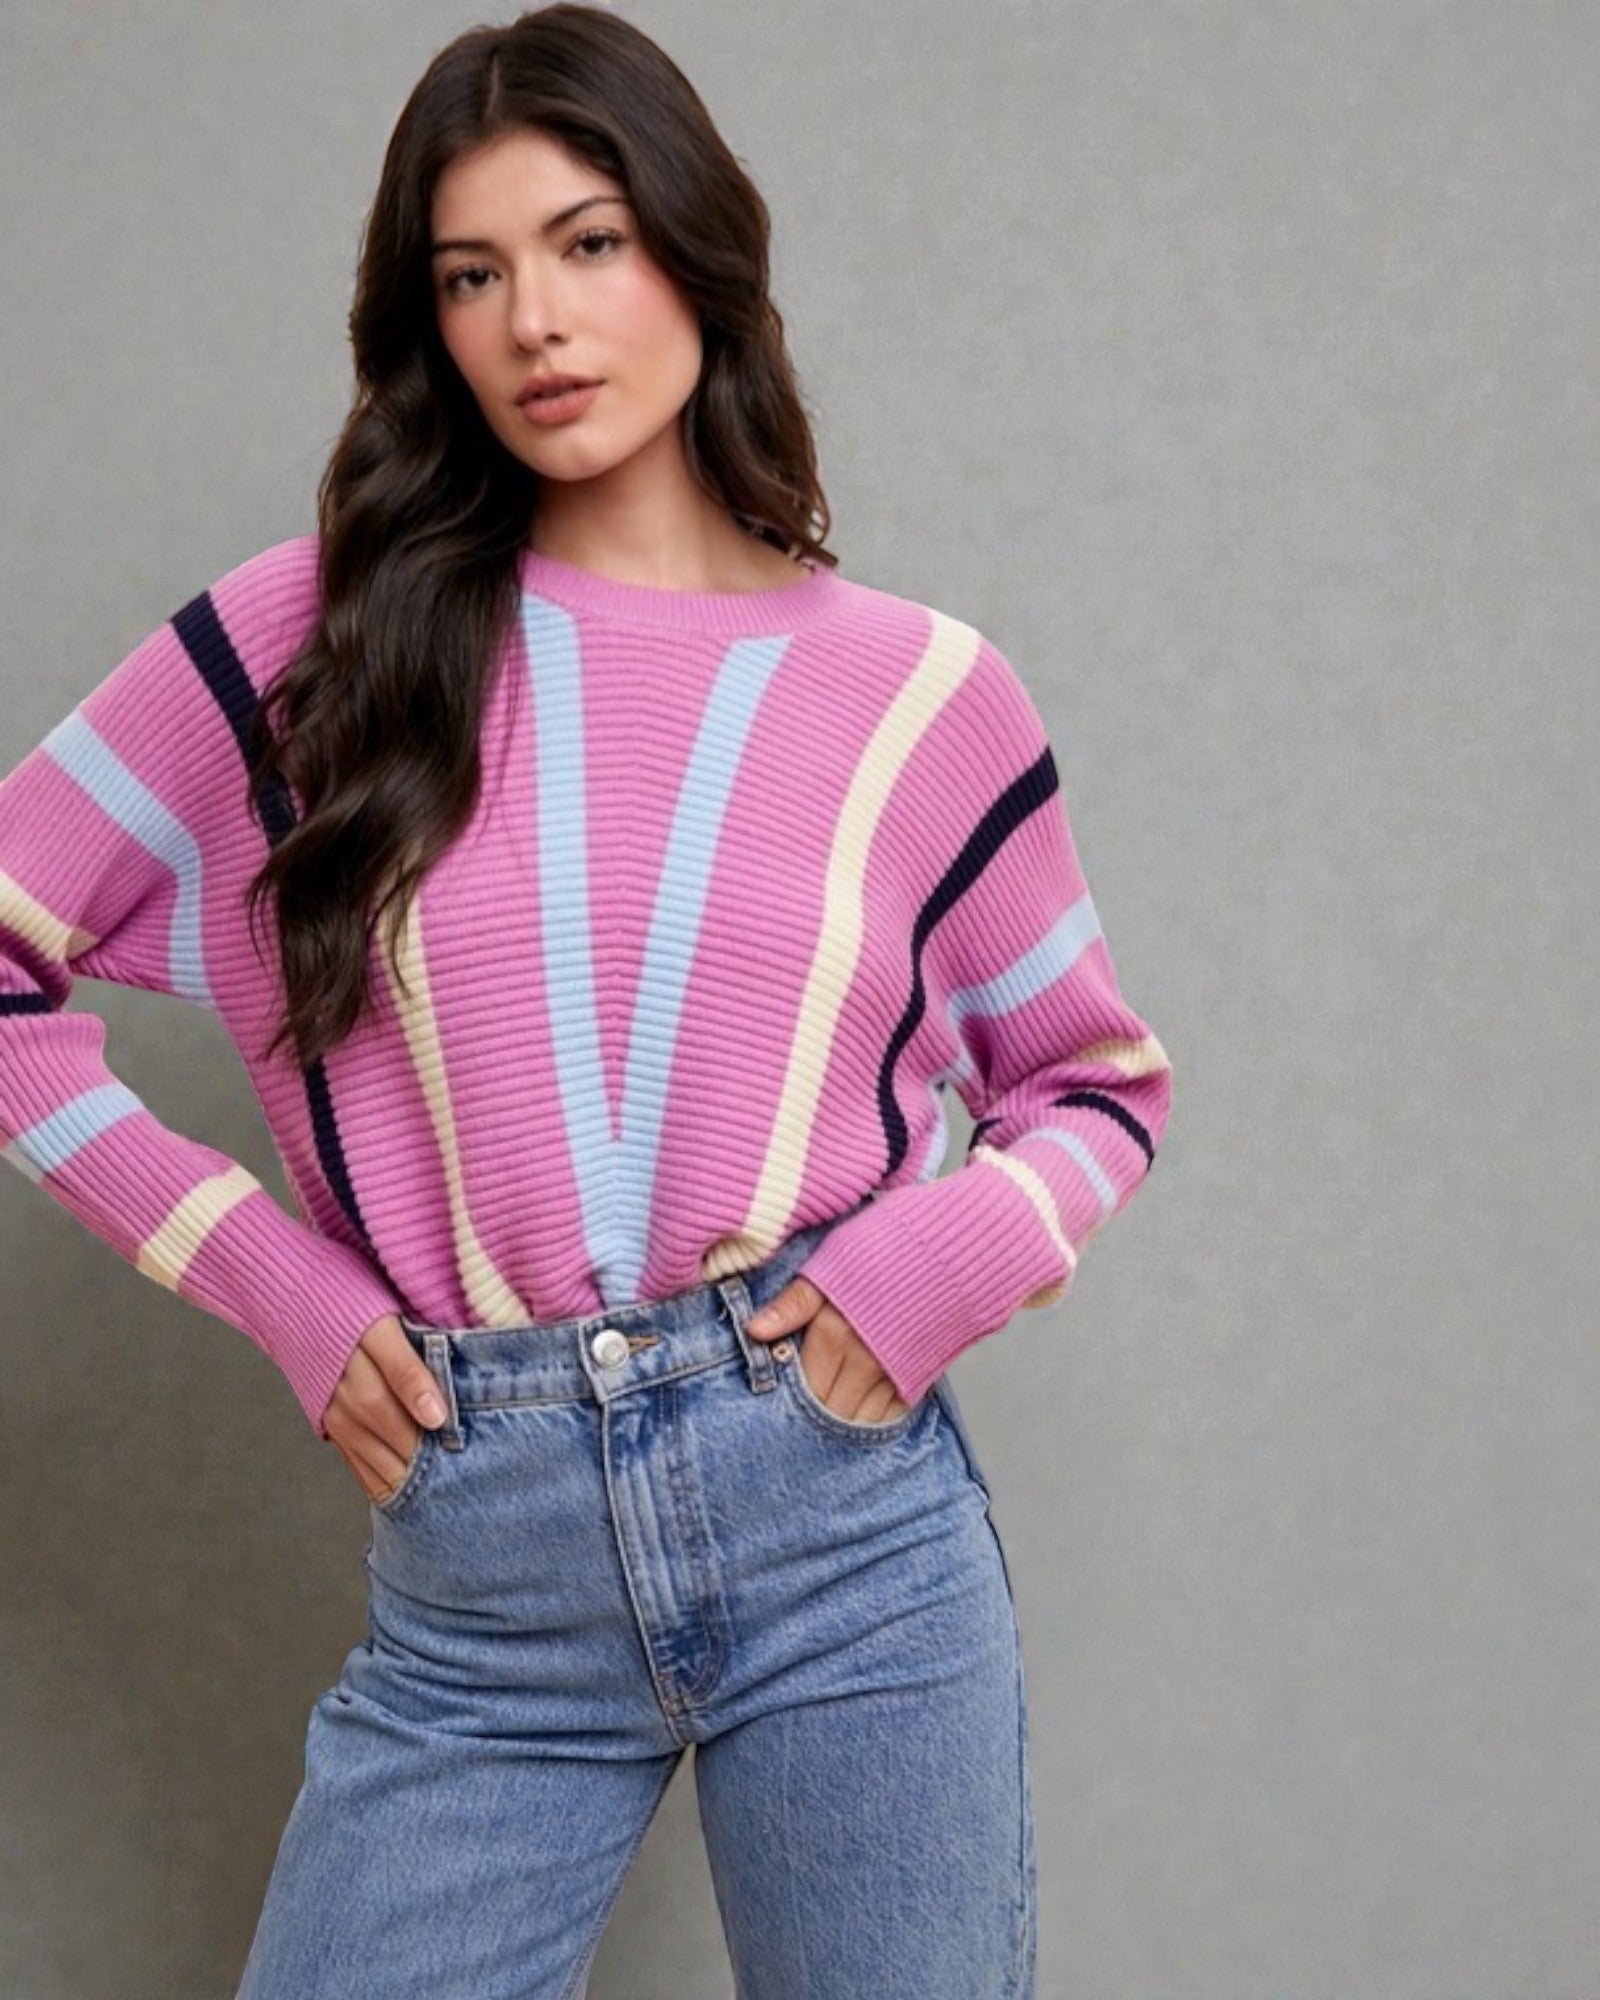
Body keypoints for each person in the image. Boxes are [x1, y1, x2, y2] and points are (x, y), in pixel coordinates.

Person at [0, 7, 1173, 1994]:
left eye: (587, 241)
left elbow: (1094, 1087)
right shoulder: (312, 642)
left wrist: (927, 1270)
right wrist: (270, 1279)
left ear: (699, 252)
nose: (533, 317)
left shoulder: (917, 697)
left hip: (846, 1531)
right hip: (483, 1551)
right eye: (471, 273)